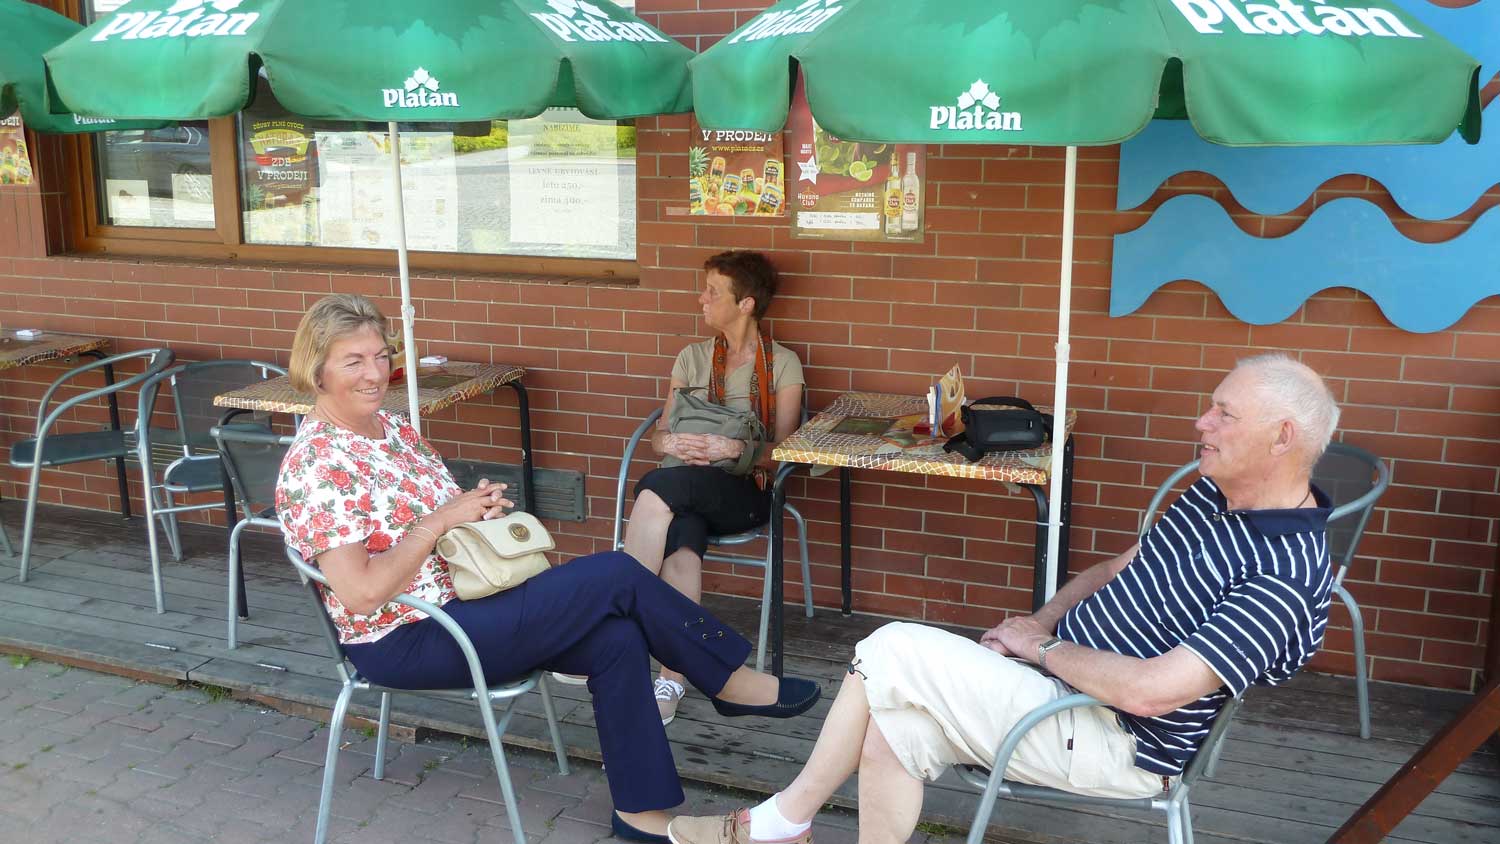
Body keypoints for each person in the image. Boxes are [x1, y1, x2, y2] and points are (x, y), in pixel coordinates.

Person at [668, 354, 1340, 844]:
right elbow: (1117, 566)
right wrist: (1036, 621)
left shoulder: (1285, 574)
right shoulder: (1215, 496)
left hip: (1116, 738)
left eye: (1224, 414)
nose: (1202, 422)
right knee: (893, 726)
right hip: (1058, 687)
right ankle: (784, 825)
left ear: (1283, 437)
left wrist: (1041, 648)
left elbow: (1150, 693)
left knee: (890, 648)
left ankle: (781, 823)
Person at [274, 294, 820, 844]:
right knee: (617, 575)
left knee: (617, 637)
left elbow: (432, 519)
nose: (374, 374)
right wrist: (439, 521)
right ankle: (726, 679)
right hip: (408, 635)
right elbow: (362, 593)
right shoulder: (317, 463)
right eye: (354, 361)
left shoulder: (392, 430)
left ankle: (640, 812)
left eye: (379, 356)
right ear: (316, 372)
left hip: (469, 600)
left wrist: (473, 509)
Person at [621, 251, 805, 725]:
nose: (701, 299)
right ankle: (672, 679)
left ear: (746, 304)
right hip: (682, 488)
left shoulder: (782, 364)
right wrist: (671, 441)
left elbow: (786, 453)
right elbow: (659, 436)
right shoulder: (692, 357)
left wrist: (734, 448)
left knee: (656, 487)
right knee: (681, 542)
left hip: (744, 491)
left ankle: (613, 615)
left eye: (713, 292)